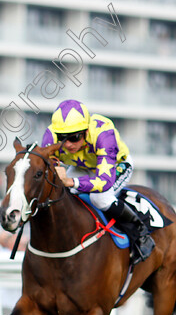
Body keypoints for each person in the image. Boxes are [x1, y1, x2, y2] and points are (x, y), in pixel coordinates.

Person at [42, 99, 154, 264]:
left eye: (74, 137)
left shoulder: (103, 133)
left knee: (100, 198)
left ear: (86, 131)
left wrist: (71, 182)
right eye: (62, 138)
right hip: (82, 166)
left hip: (114, 166)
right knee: (61, 194)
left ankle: (140, 231)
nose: (68, 144)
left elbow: (103, 181)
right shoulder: (50, 136)